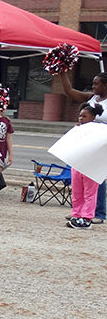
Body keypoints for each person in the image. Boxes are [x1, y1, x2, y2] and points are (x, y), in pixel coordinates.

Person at [58, 71, 107, 224]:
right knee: (79, 177)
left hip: (101, 143)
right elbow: (70, 91)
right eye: (93, 83)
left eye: (96, 84)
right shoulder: (91, 98)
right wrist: (62, 74)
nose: (93, 86)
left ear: (105, 85)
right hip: (86, 143)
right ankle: (79, 211)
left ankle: (99, 213)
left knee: (97, 177)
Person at [65, 103, 104, 229]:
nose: (81, 118)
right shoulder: (77, 130)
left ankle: (87, 218)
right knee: (77, 192)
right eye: (80, 116)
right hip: (77, 164)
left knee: (89, 193)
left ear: (92, 117)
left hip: (91, 166)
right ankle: (76, 214)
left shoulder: (99, 131)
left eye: (84, 116)